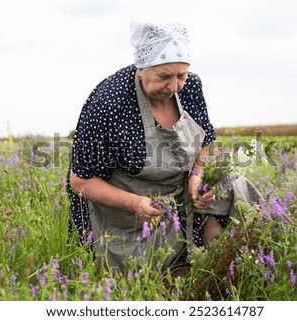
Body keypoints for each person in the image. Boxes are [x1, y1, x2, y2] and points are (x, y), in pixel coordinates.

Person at [66, 21, 261, 272]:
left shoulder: (190, 87)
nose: (174, 86)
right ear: (141, 68)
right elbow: (81, 182)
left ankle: (217, 263)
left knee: (231, 183)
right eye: (164, 77)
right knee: (142, 268)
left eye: (181, 75)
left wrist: (198, 174)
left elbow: (207, 142)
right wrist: (135, 204)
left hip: (181, 192)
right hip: (129, 209)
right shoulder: (109, 102)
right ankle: (182, 266)